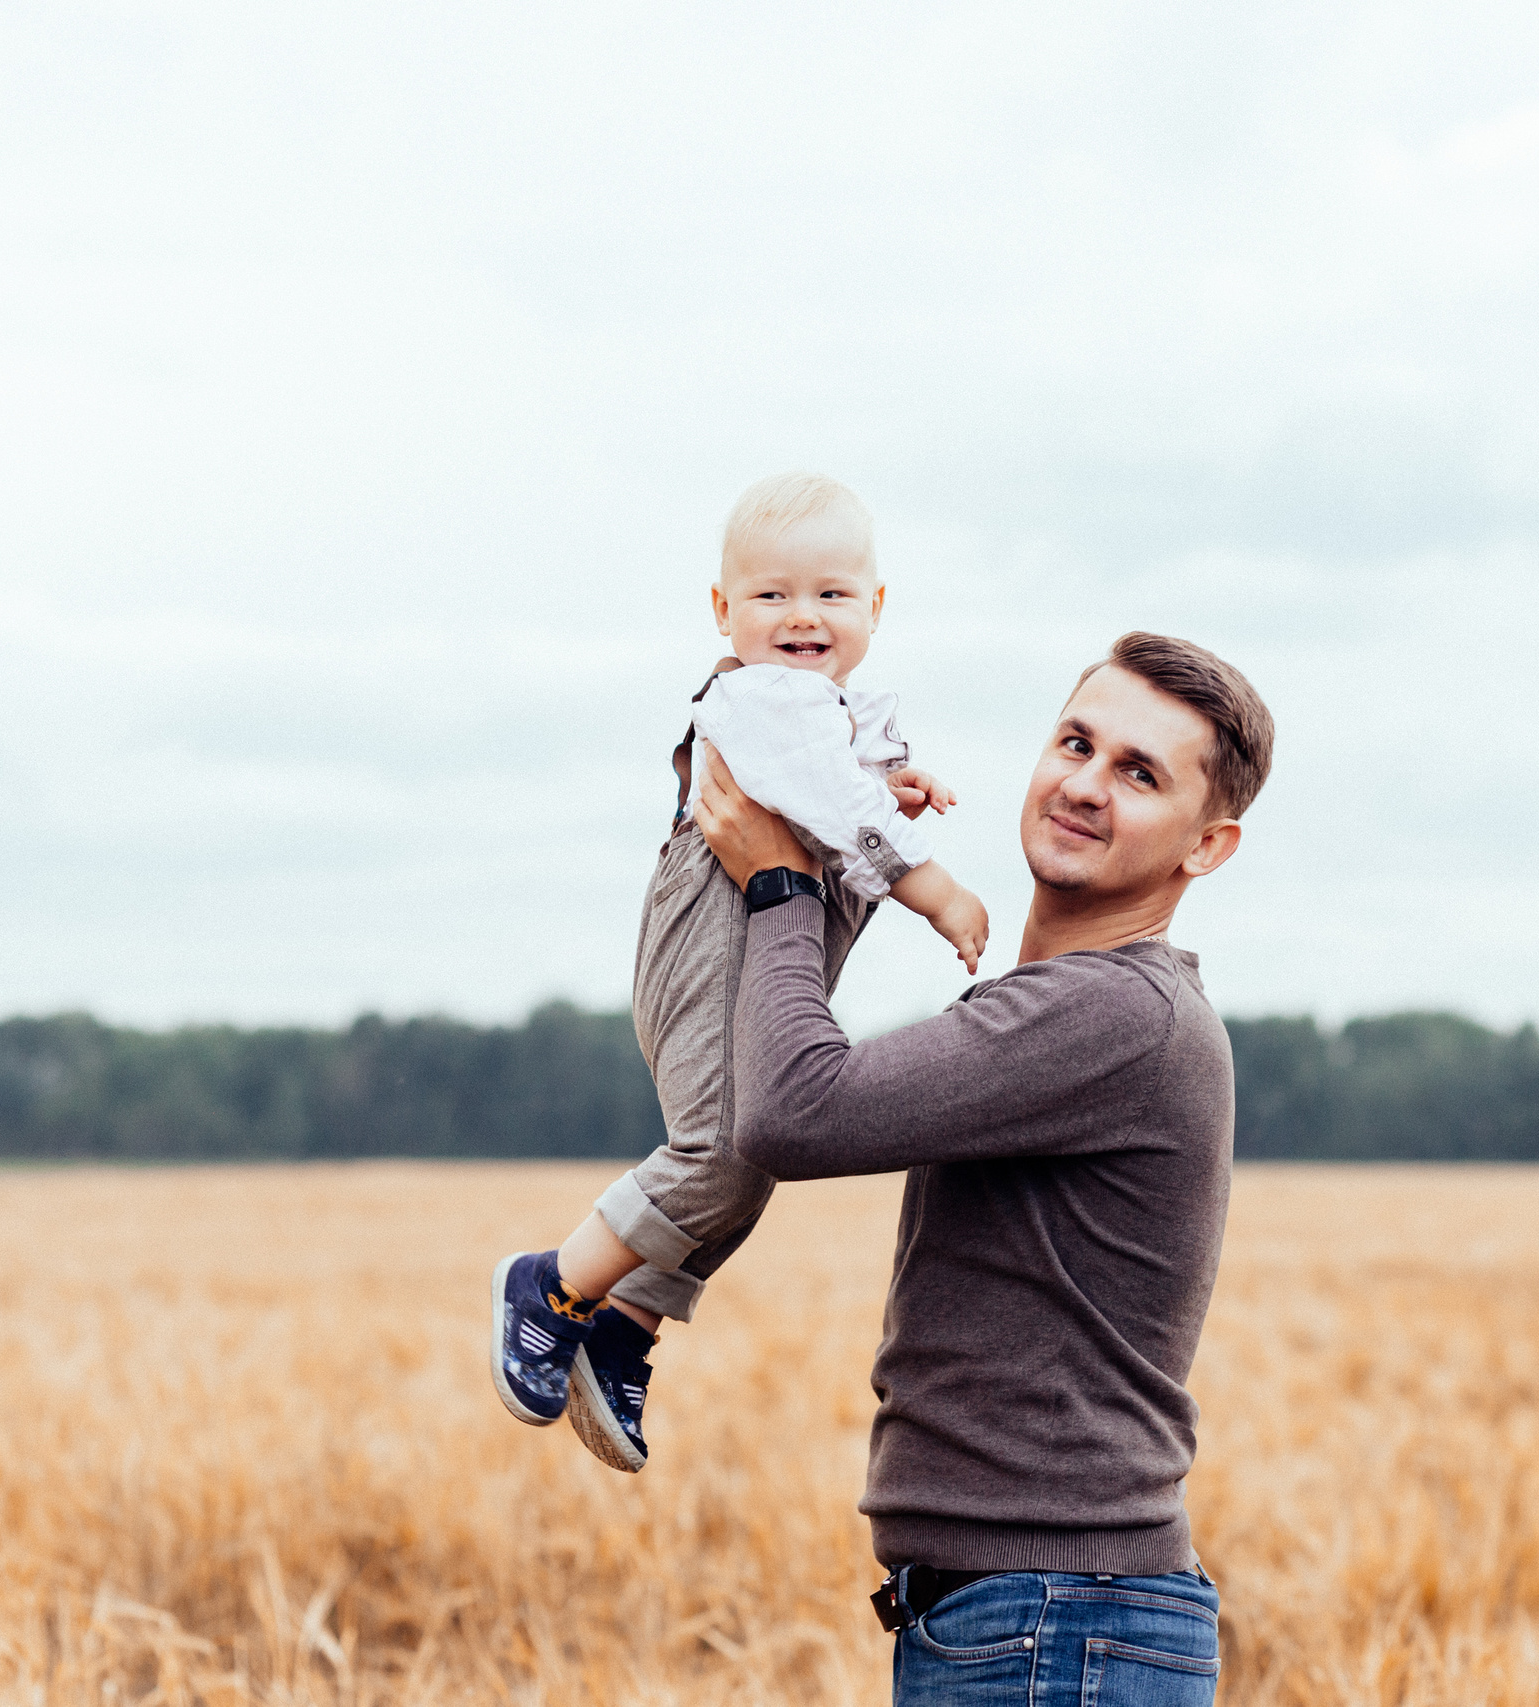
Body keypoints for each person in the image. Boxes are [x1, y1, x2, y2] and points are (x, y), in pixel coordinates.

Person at [691, 630, 1274, 1705]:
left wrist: (780, 883)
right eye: (1075, 743)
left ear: (1206, 846)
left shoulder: (1110, 1014)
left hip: (1055, 1624)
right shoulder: (1087, 1011)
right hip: (1040, 1619)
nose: (1086, 785)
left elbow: (792, 1109)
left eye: (1138, 774)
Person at [490, 472, 989, 1473]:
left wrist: (894, 783)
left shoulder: (823, 709)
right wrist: (930, 888)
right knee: (721, 1141)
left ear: (876, 608)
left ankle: (627, 1319)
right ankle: (549, 1285)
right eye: (770, 596)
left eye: (831, 594)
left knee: (761, 1146)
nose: (801, 617)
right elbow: (825, 799)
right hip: (709, 937)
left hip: (765, 934)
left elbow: (837, 784)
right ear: (723, 612)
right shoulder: (762, 696)